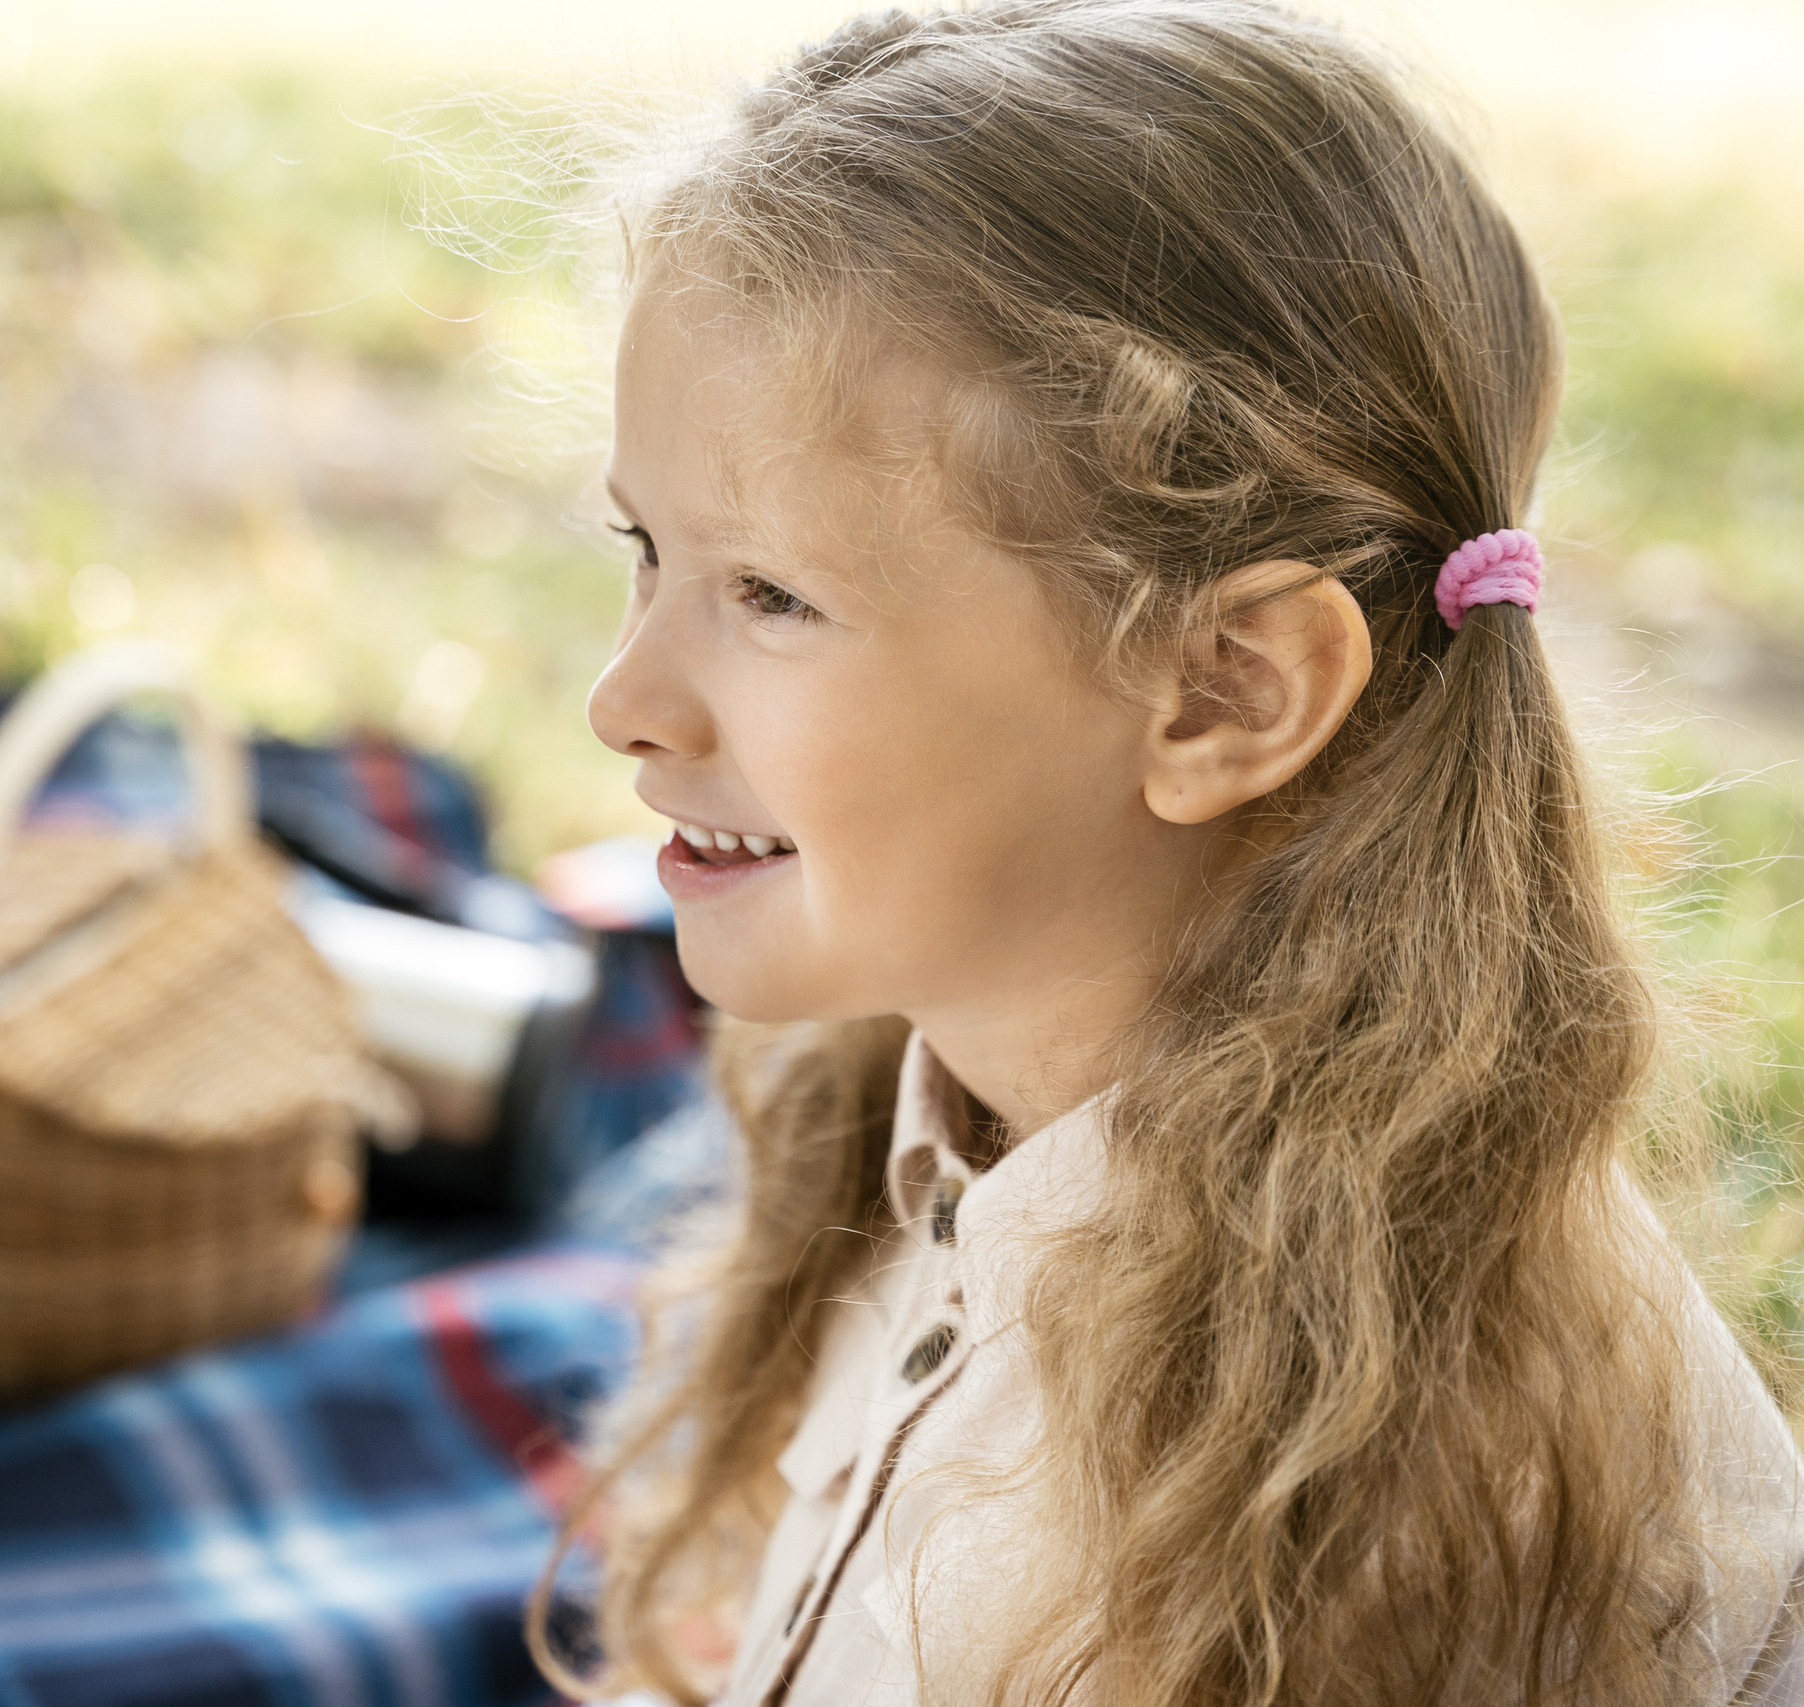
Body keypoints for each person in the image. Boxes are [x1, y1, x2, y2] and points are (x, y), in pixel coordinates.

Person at [533, 3, 1804, 1703]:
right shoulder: (928, 1117)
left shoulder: (1382, 1511)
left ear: (1223, 693)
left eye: (770, 594)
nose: (623, 700)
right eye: (645, 550)